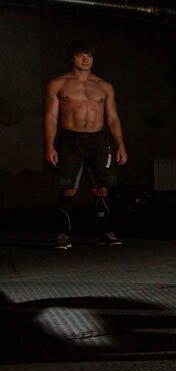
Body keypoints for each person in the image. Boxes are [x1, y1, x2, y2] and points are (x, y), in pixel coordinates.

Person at [43, 41, 127, 249]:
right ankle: (63, 234)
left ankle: (106, 232)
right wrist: (49, 146)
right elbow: (51, 117)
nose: (86, 59)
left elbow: (113, 118)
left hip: (98, 139)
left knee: (102, 187)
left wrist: (121, 145)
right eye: (81, 55)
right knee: (68, 188)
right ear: (72, 58)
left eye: (89, 55)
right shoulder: (59, 84)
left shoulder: (104, 86)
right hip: (69, 139)